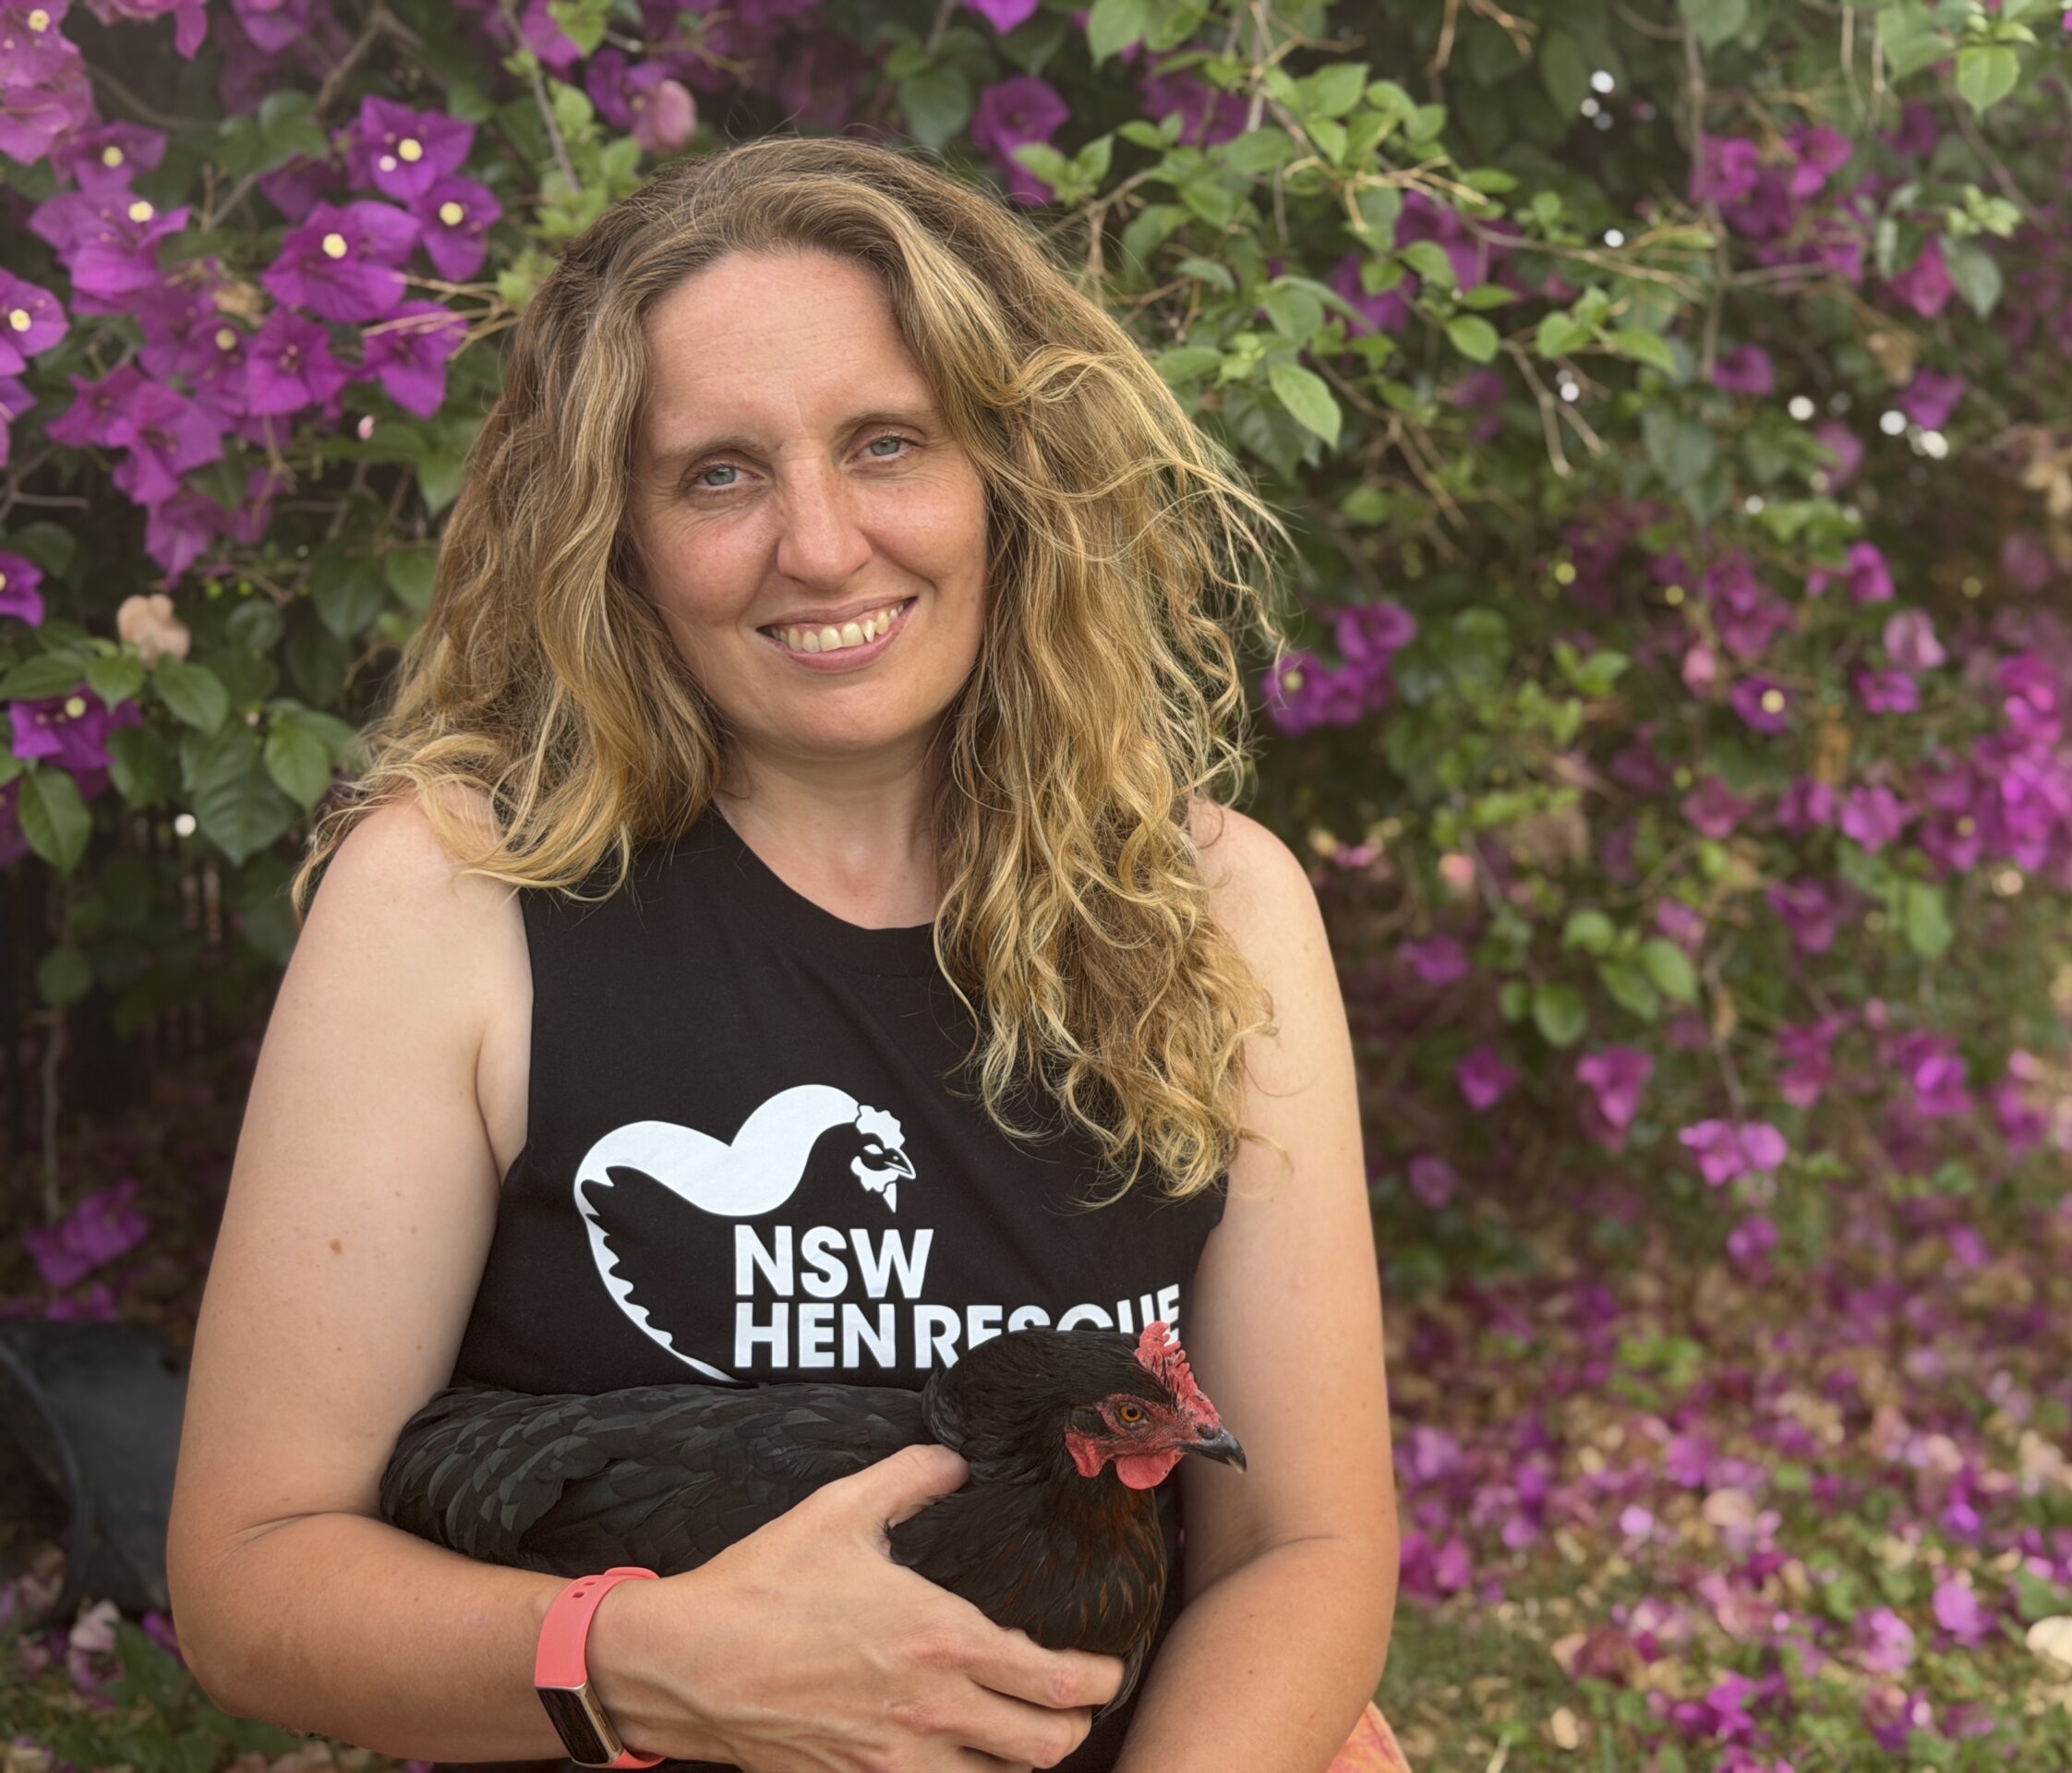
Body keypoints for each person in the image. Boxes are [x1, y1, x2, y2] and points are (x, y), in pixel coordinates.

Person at [166, 134, 1402, 1772]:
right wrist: (628, 1662)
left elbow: (1301, 1547)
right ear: (615, 537)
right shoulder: (454, 902)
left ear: (1011, 476)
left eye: (888, 444)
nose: (820, 547)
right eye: (722, 474)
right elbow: (253, 1576)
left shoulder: (1211, 906)